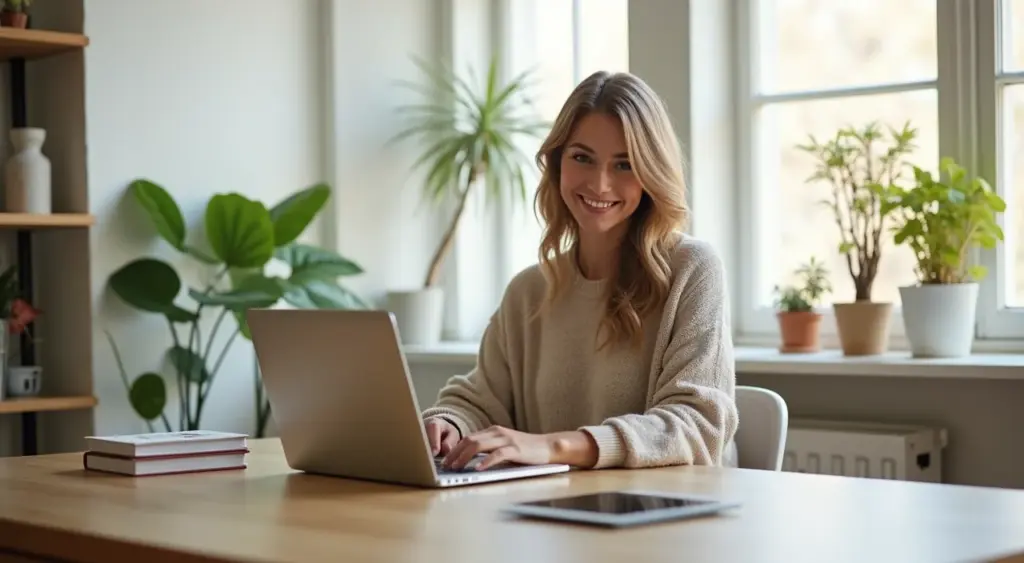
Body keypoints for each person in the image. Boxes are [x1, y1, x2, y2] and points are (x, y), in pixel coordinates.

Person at [420, 70, 739, 472]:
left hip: (668, 514)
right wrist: (449, 423)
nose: (600, 184)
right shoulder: (528, 291)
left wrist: (554, 447)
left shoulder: (693, 269)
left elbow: (698, 425)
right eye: (582, 158)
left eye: (624, 165)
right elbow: (480, 400)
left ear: (651, 174)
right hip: (554, 516)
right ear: (556, 164)